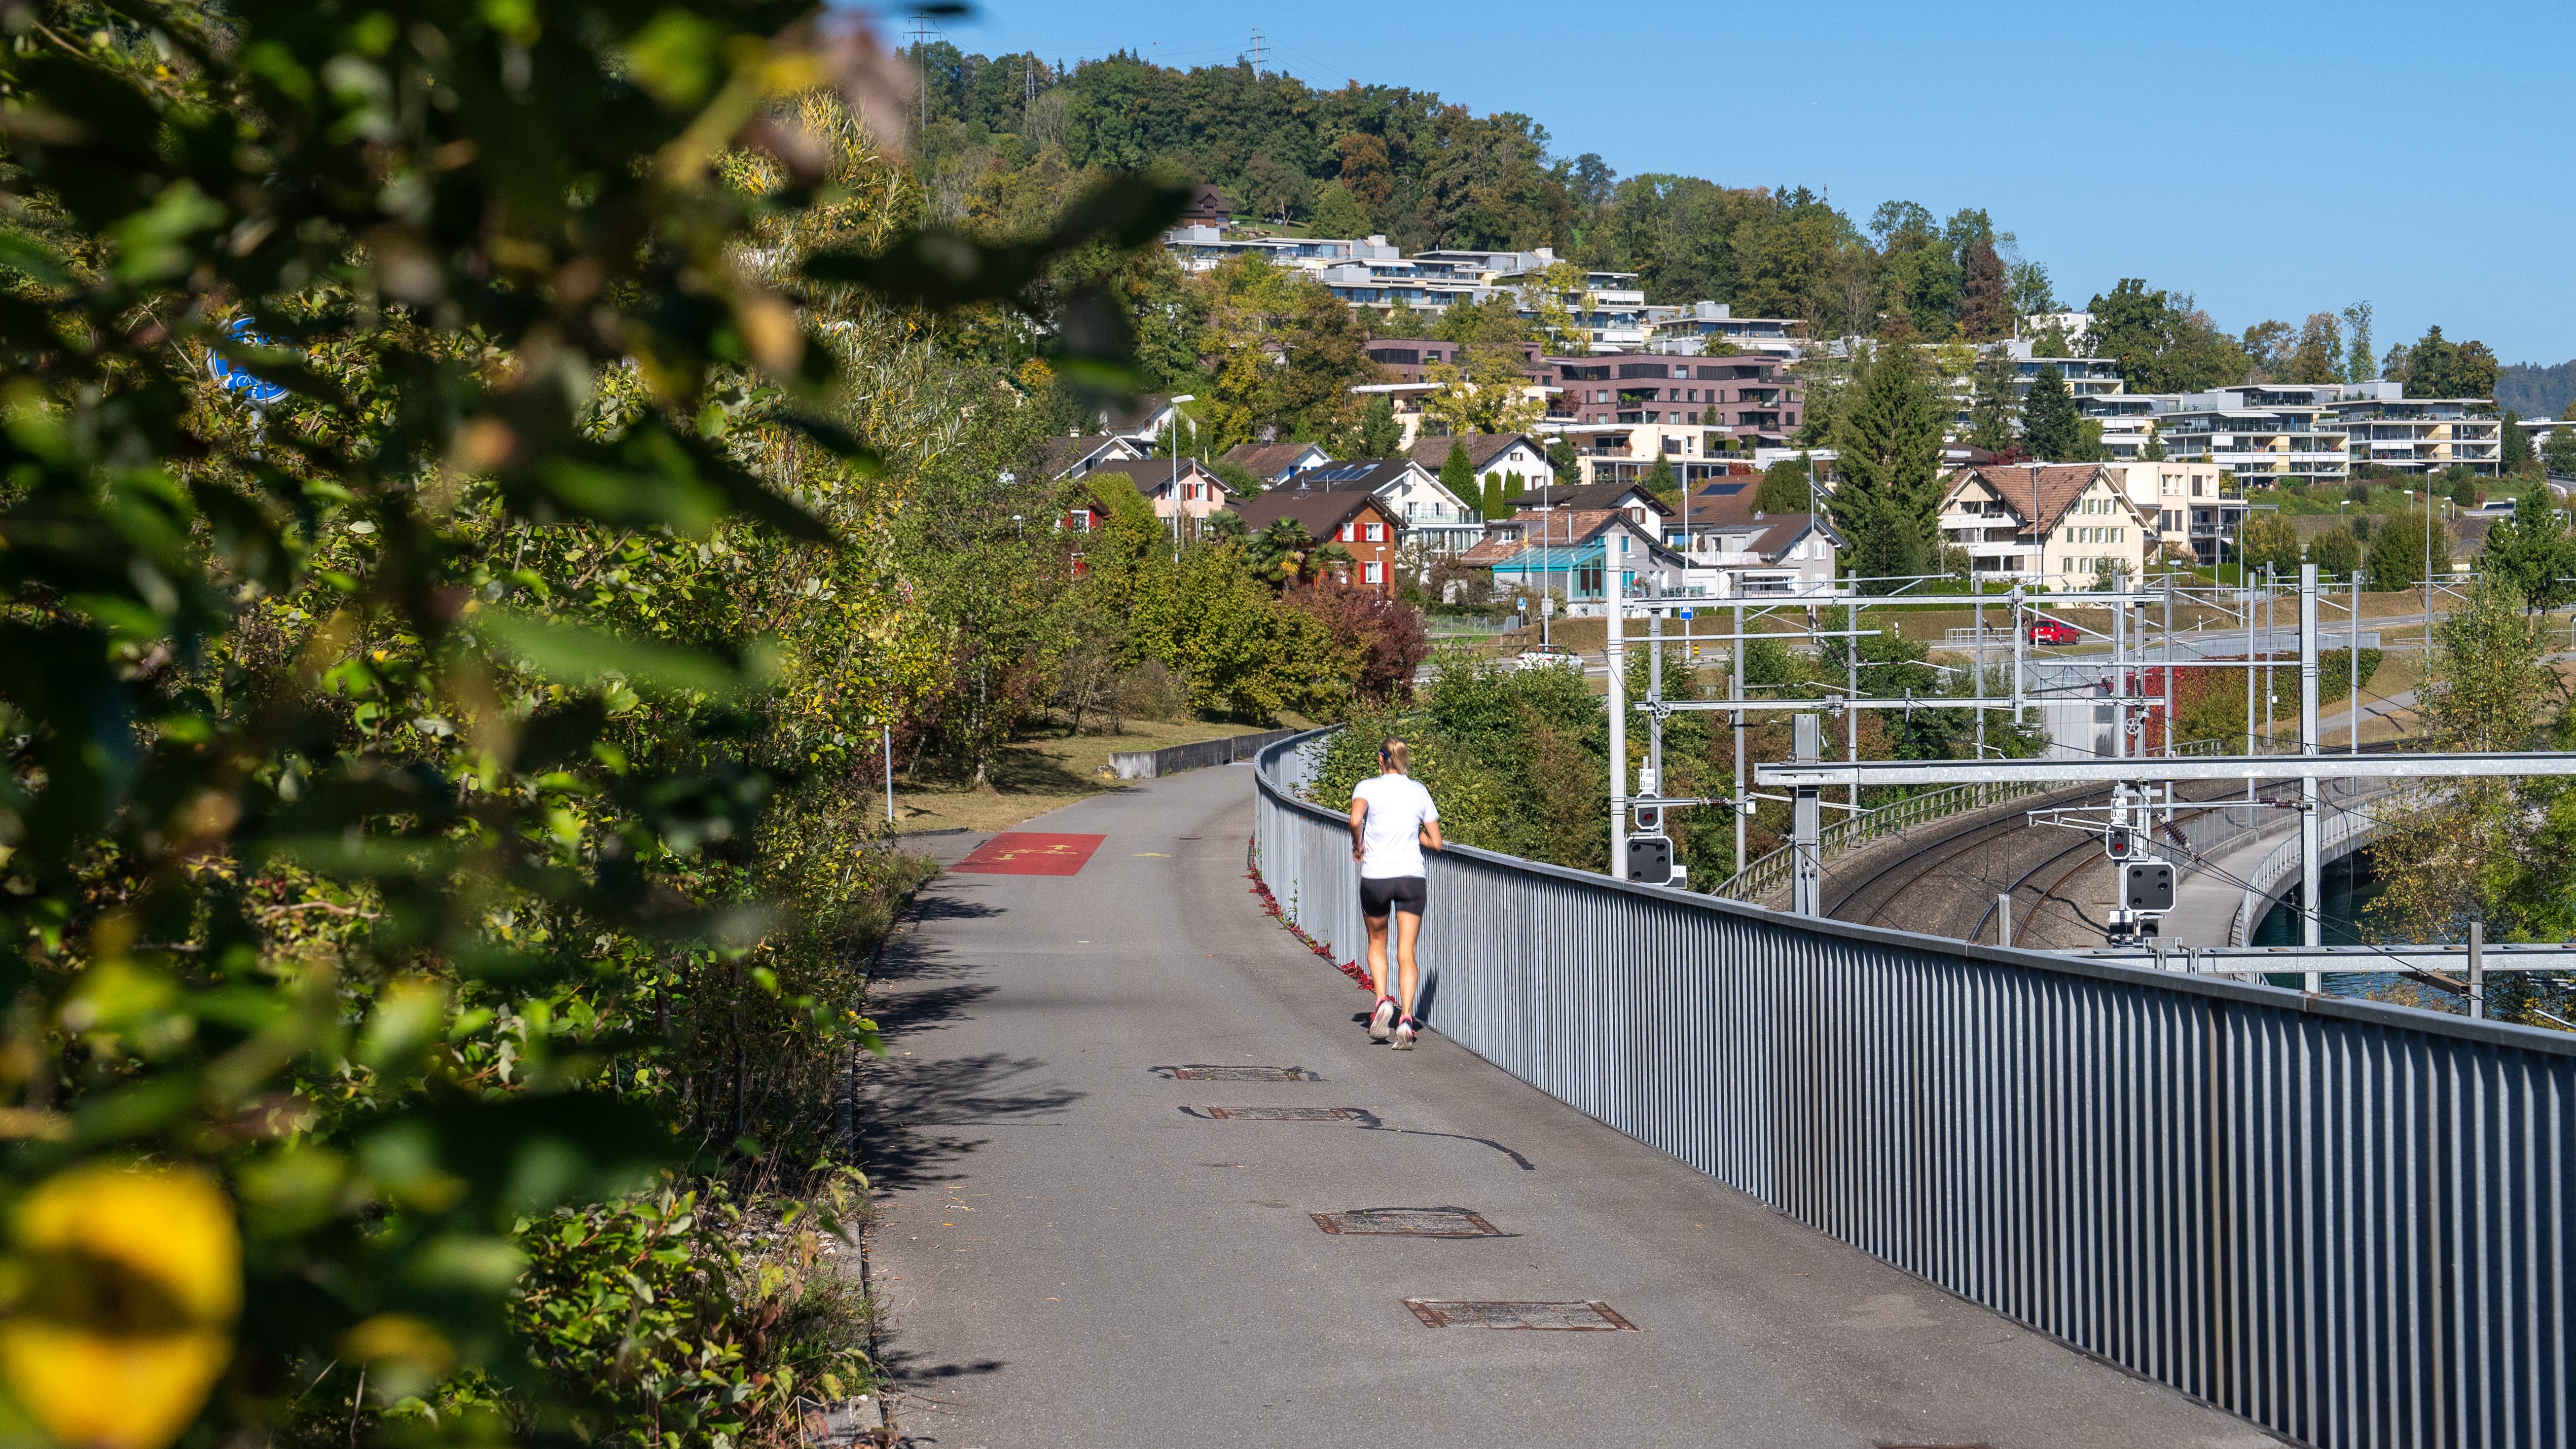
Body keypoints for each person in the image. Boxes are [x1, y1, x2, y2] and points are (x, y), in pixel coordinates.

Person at [1348, 736, 1442, 1050]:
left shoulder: (1366, 787)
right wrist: (1413, 836)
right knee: (1407, 952)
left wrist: (1358, 842)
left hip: (1376, 877)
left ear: (1380, 759)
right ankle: (1406, 1018)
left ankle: (1381, 1002)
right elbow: (1437, 842)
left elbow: (1355, 820)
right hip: (1411, 879)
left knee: (1377, 941)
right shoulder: (1419, 791)